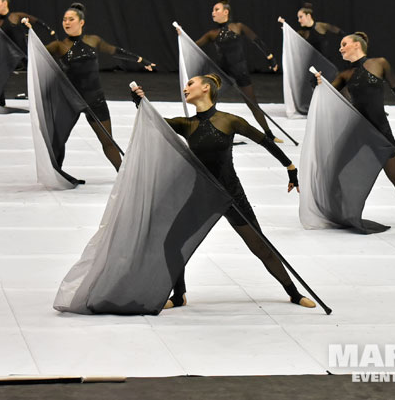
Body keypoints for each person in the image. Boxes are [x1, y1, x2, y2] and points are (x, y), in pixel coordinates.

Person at [132, 74, 315, 310]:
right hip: (202, 197)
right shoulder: (187, 124)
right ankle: (179, 296)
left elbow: (264, 141)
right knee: (171, 243)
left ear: (206, 88)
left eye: (190, 84)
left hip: (232, 196)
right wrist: (140, 102)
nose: (185, 88)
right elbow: (154, 121)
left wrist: (290, 167)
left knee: (260, 247)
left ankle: (293, 293)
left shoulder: (229, 120)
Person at [317, 32, 395, 229]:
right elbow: (326, 92)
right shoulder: (345, 75)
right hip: (356, 132)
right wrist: (317, 82)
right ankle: (338, 213)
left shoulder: (380, 63)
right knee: (332, 169)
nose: (340, 48)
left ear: (357, 45)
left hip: (381, 131)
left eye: (344, 44)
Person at [31, 3, 154, 171]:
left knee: (108, 142)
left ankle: (124, 175)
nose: (66, 22)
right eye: (64, 19)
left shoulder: (93, 40)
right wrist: (29, 35)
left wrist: (141, 60)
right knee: (57, 141)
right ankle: (57, 174)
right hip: (70, 101)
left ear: (81, 22)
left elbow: (115, 51)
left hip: (95, 99)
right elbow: (33, 55)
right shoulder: (58, 46)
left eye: (71, 19)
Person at [192, 0, 281, 141]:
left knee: (253, 104)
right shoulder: (212, 34)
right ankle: (206, 131)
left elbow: (257, 41)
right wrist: (181, 35)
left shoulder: (238, 27)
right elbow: (193, 45)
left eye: (216, 10)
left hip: (240, 72)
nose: (213, 12)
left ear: (225, 12)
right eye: (213, 10)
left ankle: (269, 134)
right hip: (222, 74)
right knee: (208, 100)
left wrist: (271, 58)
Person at [279, 2, 344, 64]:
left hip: (326, 64)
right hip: (312, 66)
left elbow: (340, 32)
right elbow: (291, 36)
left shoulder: (320, 26)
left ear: (308, 16)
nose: (299, 20)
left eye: (301, 17)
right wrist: (285, 26)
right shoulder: (303, 32)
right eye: (298, 18)